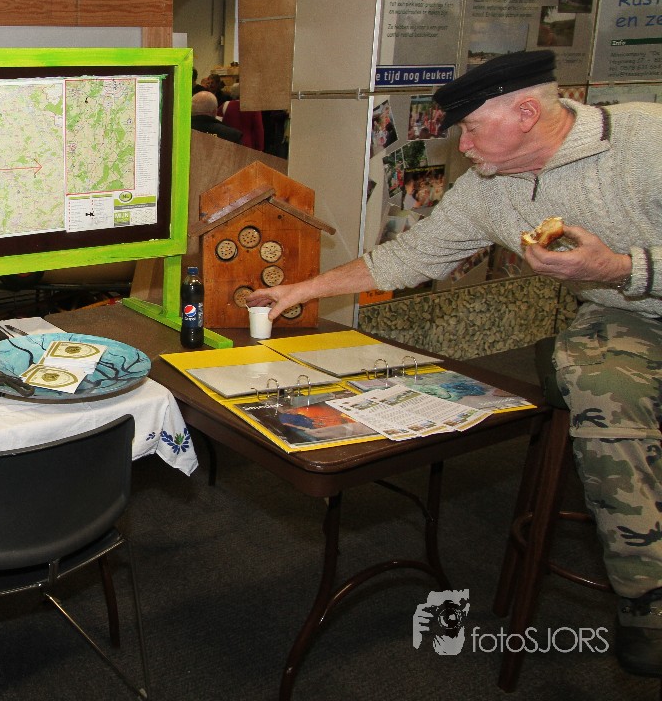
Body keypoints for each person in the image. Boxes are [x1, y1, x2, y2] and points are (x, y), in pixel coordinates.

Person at [247, 49, 662, 677]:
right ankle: (648, 598)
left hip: (634, 285)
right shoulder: (488, 189)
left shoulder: (644, 141)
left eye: (471, 129)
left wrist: (621, 267)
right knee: (596, 377)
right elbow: (411, 256)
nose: (462, 146)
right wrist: (301, 291)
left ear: (527, 113)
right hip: (629, 317)